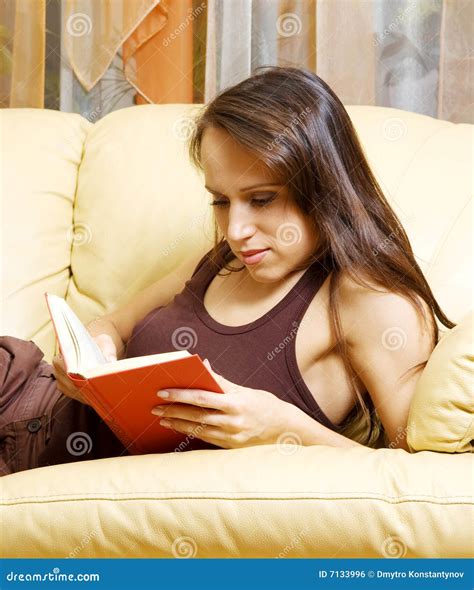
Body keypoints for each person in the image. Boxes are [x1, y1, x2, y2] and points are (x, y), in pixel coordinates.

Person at [0, 67, 454, 476]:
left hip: (38, 454)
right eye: (220, 200)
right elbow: (112, 324)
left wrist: (282, 429)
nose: (235, 230)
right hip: (20, 387)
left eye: (261, 199)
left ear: (324, 187)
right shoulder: (223, 260)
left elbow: (416, 485)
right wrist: (93, 351)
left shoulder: (374, 304)